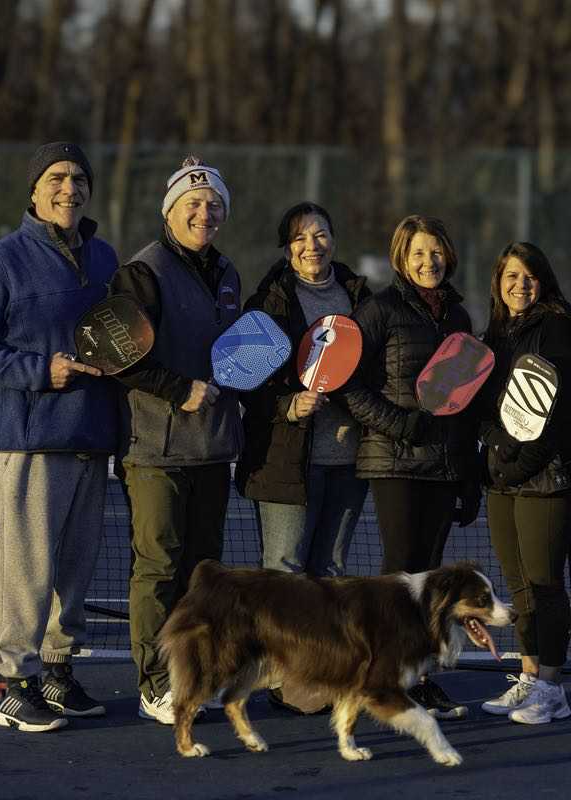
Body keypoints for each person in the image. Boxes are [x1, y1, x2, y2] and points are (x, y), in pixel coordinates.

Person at [0, 142, 118, 731]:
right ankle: (15, 684)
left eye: (78, 178)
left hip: (91, 440)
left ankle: (55, 674)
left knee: (73, 571)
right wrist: (39, 370)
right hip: (29, 441)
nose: (68, 188)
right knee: (26, 570)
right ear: (33, 191)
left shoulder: (104, 259)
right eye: (55, 178)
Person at [109, 156, 244, 725]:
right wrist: (178, 389)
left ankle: (194, 671)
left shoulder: (229, 273)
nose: (204, 212)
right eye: (192, 204)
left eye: (213, 205)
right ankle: (156, 682)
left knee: (202, 571)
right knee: (159, 568)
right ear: (170, 211)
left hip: (213, 450)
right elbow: (116, 352)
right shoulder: (144, 272)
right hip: (155, 450)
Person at [341, 214, 481, 720]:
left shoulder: (459, 319)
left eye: (437, 251)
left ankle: (419, 679)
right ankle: (384, 679)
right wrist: (401, 424)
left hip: (443, 469)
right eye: (418, 253)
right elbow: (347, 385)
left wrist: (468, 472)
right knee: (400, 578)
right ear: (402, 258)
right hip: (396, 464)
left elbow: (463, 404)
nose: (429, 262)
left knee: (432, 583)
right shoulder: (378, 311)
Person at [235, 202, 371, 714]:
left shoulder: (359, 298)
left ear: (334, 240)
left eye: (321, 234)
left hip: (347, 458)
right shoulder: (269, 302)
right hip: (285, 460)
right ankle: (277, 676)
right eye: (299, 238)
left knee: (330, 571)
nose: (311, 246)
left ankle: (314, 673)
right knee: (286, 572)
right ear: (286, 247)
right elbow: (245, 382)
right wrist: (288, 405)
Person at [475, 243, 571, 725]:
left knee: (544, 585)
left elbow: (558, 413)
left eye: (530, 276)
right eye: (511, 276)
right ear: (498, 282)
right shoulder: (495, 332)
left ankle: (553, 688)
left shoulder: (556, 329)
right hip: (503, 479)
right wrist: (496, 457)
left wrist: (516, 464)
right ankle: (529, 677)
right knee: (519, 588)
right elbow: (482, 405)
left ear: (544, 282)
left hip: (545, 478)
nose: (520, 284)